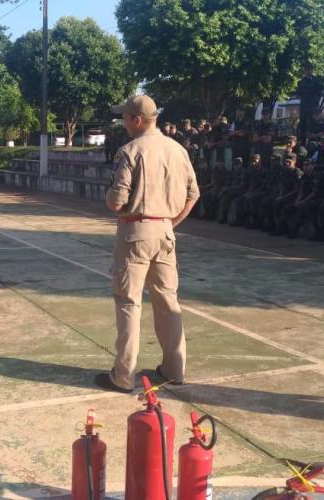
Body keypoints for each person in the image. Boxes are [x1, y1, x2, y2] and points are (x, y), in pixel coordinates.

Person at [96, 95, 199, 393]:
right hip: (165, 231)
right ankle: (174, 369)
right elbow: (194, 194)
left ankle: (123, 375)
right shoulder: (177, 149)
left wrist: (110, 199)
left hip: (135, 232)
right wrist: (169, 222)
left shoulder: (130, 150)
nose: (123, 122)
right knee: (168, 301)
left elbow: (117, 202)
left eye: (125, 117)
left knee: (129, 302)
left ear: (136, 120)